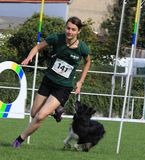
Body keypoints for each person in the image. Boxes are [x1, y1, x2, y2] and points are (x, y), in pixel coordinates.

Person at [12, 16, 91, 148]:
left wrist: (81, 81)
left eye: (73, 29)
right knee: (33, 114)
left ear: (78, 32)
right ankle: (56, 112)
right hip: (48, 81)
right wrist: (29, 57)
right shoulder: (56, 38)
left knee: (41, 116)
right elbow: (37, 47)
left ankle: (19, 140)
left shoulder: (82, 48)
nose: (69, 32)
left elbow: (88, 62)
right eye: (68, 28)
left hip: (63, 87)